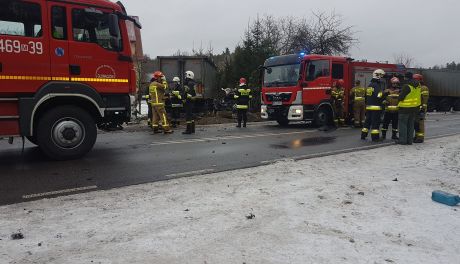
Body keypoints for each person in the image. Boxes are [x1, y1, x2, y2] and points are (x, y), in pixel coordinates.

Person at [397, 72, 422, 145]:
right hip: (414, 108)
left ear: (405, 77)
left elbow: (401, 98)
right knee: (411, 125)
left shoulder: (407, 86)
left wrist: (398, 95)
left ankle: (402, 141)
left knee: (403, 125)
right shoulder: (418, 85)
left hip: (405, 109)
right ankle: (409, 141)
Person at [361, 69, 385, 141]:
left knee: (367, 122)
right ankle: (375, 138)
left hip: (369, 107)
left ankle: (363, 135)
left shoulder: (370, 85)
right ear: (378, 76)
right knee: (375, 123)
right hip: (376, 108)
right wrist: (385, 93)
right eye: (381, 76)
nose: (381, 78)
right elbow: (378, 95)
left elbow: (366, 96)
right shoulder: (376, 85)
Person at [414, 74, 429, 143]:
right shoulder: (417, 87)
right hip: (416, 108)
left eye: (415, 79)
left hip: (421, 109)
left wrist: (423, 109)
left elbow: (425, 99)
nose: (414, 81)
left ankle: (420, 138)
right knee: (416, 123)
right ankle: (417, 136)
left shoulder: (424, 88)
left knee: (420, 123)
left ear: (419, 80)